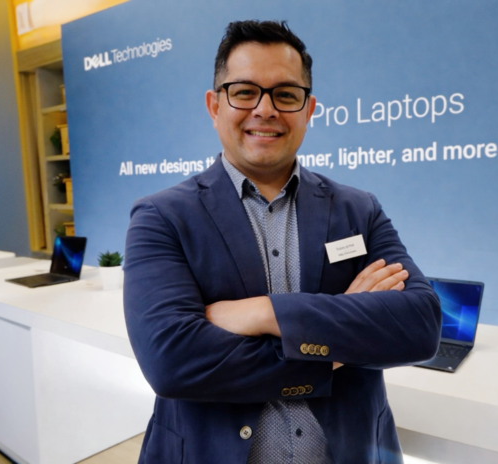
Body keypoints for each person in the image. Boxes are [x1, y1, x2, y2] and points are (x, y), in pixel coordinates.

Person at [124, 20, 441, 464]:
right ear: (214, 105)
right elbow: (172, 361)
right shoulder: (161, 217)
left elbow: (419, 326)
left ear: (308, 110)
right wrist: (337, 340)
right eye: (244, 92)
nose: (265, 109)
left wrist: (263, 312)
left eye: (285, 95)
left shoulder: (358, 209)